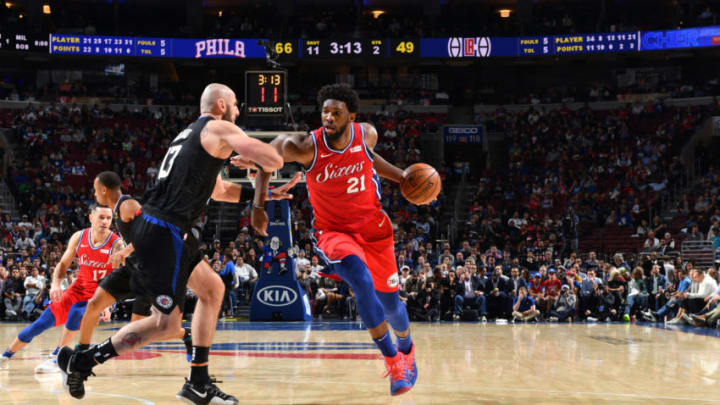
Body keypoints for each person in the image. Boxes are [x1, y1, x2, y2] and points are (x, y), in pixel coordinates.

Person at [58, 83, 287, 404]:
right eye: (235, 105)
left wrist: (259, 191)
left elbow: (220, 190)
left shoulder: (190, 135)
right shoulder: (220, 126)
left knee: (212, 291)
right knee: (167, 323)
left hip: (165, 229)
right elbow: (274, 158)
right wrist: (260, 159)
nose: (239, 112)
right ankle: (86, 360)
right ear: (221, 105)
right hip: (165, 229)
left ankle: (197, 381)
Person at [251, 84, 421, 395]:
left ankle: (407, 351)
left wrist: (403, 178)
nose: (329, 117)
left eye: (336, 113)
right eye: (325, 111)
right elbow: (265, 159)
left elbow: (370, 158)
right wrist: (258, 205)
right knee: (360, 280)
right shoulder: (304, 146)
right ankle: (393, 360)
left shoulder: (366, 134)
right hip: (334, 232)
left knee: (392, 305)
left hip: (374, 228)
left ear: (351, 117)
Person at [0, 206, 119, 371]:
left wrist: (107, 304)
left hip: (100, 296)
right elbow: (62, 264)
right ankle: (5, 355)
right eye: (101, 217)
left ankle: (57, 358)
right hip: (77, 290)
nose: (105, 221)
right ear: (91, 218)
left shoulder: (116, 244)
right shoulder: (79, 237)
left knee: (77, 312)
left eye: (109, 218)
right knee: (38, 325)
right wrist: (55, 284)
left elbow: (120, 278)